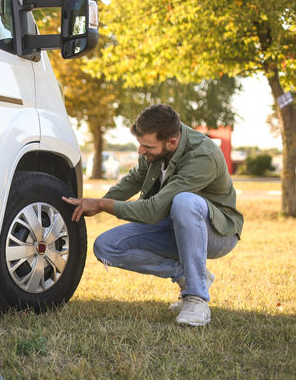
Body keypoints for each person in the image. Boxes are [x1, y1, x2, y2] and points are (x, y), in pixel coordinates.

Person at [63, 104, 243, 326]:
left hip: (218, 233)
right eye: (139, 144)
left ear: (172, 143)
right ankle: (189, 274)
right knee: (106, 247)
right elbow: (134, 180)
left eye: (146, 146)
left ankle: (197, 299)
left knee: (184, 202)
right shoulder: (155, 150)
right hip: (173, 225)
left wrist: (102, 204)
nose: (140, 151)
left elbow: (152, 210)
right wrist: (96, 203)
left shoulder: (202, 156)